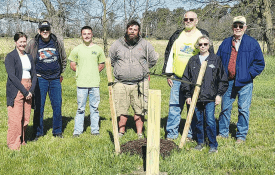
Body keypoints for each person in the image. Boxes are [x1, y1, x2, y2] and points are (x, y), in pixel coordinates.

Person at [162, 11, 214, 140]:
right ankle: (172, 134)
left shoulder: (202, 35)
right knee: (174, 106)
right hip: (178, 78)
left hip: (194, 80)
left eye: (191, 19)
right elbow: (169, 53)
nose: (188, 21)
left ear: (197, 20)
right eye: (186, 19)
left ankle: (191, 134)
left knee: (193, 107)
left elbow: (210, 56)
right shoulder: (176, 35)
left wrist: (208, 76)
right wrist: (168, 73)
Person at [217, 16, 265, 143]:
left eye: (240, 26)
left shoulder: (252, 43)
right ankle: (223, 133)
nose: (237, 28)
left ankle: (241, 135)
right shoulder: (225, 43)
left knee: (243, 109)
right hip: (228, 81)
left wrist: (248, 75)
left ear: (245, 27)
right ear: (232, 27)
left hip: (245, 83)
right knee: (225, 108)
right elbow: (218, 61)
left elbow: (260, 64)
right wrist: (221, 77)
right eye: (235, 26)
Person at [109, 20, 158, 138]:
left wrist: (144, 69)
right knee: (121, 109)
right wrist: (121, 69)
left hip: (140, 83)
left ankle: (139, 133)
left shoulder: (145, 44)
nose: (132, 32)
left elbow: (153, 59)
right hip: (121, 83)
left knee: (140, 109)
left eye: (135, 30)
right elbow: (111, 60)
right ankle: (121, 132)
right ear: (126, 30)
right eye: (130, 29)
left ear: (139, 32)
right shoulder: (117, 44)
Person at [182, 36, 228, 153]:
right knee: (198, 120)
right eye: (200, 44)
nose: (203, 46)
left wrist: (219, 95)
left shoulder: (215, 59)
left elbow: (222, 79)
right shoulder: (193, 60)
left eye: (205, 44)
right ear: (197, 46)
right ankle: (200, 142)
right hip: (195, 97)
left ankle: (213, 145)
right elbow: (186, 78)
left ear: (209, 45)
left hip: (210, 97)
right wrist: (188, 95)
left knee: (210, 120)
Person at [25, 21, 67, 140]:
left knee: (57, 105)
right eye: (42, 29)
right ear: (39, 31)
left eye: (47, 29)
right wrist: (32, 75)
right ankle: (38, 132)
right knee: (39, 106)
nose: (45, 31)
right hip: (40, 79)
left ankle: (57, 131)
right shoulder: (33, 43)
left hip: (55, 79)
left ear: (50, 30)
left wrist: (60, 72)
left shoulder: (57, 41)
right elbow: (26, 58)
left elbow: (63, 58)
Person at [69, 26, 106, 137]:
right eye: (84, 34)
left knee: (94, 108)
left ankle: (95, 130)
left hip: (94, 84)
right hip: (81, 84)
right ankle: (78, 130)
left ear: (92, 35)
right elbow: (72, 65)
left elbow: (102, 64)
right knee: (80, 108)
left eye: (88, 34)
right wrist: (82, 72)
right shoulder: (77, 49)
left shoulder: (98, 49)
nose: (86, 36)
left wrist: (93, 72)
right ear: (81, 35)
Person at [5, 32, 37, 150]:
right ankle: (13, 144)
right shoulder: (10, 56)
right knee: (15, 118)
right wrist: (24, 91)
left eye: (24, 41)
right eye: (20, 42)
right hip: (17, 88)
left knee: (26, 118)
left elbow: (34, 74)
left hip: (29, 88)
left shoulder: (28, 56)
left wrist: (31, 91)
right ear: (15, 42)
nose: (23, 44)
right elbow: (12, 76)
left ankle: (22, 140)